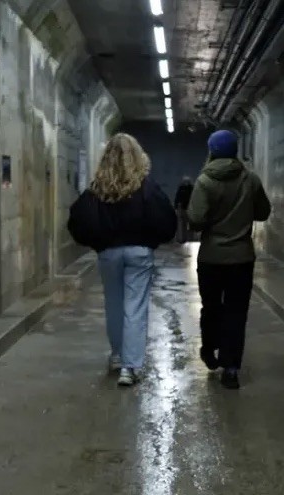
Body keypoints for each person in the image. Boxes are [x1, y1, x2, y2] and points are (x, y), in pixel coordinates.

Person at [67, 133, 177, 387]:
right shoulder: (146, 187)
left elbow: (77, 220)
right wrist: (152, 241)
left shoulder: (98, 189)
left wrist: (97, 243)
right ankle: (130, 366)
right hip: (139, 251)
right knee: (135, 307)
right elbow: (166, 219)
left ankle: (117, 356)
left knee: (114, 304)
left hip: (109, 253)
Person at [187, 130, 271, 389]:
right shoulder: (251, 180)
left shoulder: (204, 181)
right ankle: (231, 368)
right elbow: (263, 212)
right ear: (235, 151)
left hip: (211, 258)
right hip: (241, 258)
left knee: (211, 307)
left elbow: (196, 219)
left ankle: (209, 350)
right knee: (236, 312)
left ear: (211, 151)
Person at [173, 176, 194, 243]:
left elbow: (177, 199)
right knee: (188, 225)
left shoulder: (182, 188)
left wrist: (176, 207)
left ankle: (183, 239)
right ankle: (188, 238)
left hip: (184, 208)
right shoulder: (191, 188)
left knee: (183, 225)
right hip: (187, 208)